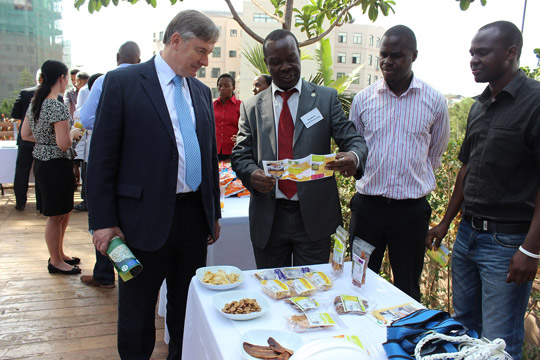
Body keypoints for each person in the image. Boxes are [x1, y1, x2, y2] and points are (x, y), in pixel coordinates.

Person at [86, 11, 220, 359]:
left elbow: (207, 157)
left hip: (192, 220)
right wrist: (103, 222)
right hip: (137, 223)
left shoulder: (202, 93)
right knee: (136, 312)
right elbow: (101, 160)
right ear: (176, 40)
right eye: (201, 51)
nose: (206, 62)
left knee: (187, 308)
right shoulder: (123, 83)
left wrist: (212, 212)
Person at [426, 21, 540, 360]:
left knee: (498, 342)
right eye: (472, 53)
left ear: (510, 53)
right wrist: (446, 223)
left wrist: (531, 251)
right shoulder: (479, 105)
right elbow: (466, 169)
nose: (473, 60)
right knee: (463, 330)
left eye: (483, 53)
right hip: (467, 236)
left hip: (507, 244)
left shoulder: (535, 103)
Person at [231, 29, 367, 269]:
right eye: (277, 62)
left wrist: (354, 156)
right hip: (269, 219)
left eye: (291, 58)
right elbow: (240, 155)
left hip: (313, 218)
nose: (285, 67)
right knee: (272, 293)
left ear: (299, 55)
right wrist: (251, 174)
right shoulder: (251, 107)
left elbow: (353, 139)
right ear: (267, 63)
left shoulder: (325, 99)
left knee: (311, 294)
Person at [348, 25, 450, 301]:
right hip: (368, 208)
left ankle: (403, 341)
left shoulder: (435, 101)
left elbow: (435, 153)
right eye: (383, 54)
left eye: (397, 55)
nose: (387, 61)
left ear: (413, 55)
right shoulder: (363, 100)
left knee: (407, 288)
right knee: (358, 283)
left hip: (410, 213)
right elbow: (354, 148)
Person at [79, 41, 141, 289]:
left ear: (117, 57)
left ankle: (105, 274)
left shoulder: (105, 80)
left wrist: (111, 124)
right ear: (139, 60)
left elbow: (85, 118)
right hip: (134, 163)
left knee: (102, 217)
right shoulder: (144, 82)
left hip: (106, 160)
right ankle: (131, 272)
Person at [20, 60, 83, 275]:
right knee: (56, 215)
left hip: (43, 163)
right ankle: (55, 260)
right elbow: (64, 144)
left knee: (62, 212)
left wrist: (45, 141)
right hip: (56, 165)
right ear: (61, 78)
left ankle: (59, 253)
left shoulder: (35, 103)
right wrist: (73, 134)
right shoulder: (56, 105)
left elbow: (25, 135)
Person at [73, 72, 103, 212]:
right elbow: (79, 135)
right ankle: (87, 202)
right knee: (89, 181)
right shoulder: (83, 112)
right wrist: (77, 156)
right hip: (90, 154)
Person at [214, 73, 241, 161]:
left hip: (234, 150)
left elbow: (246, 128)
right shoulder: (211, 106)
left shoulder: (241, 106)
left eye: (226, 86)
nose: (222, 89)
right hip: (214, 151)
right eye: (220, 86)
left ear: (233, 88)